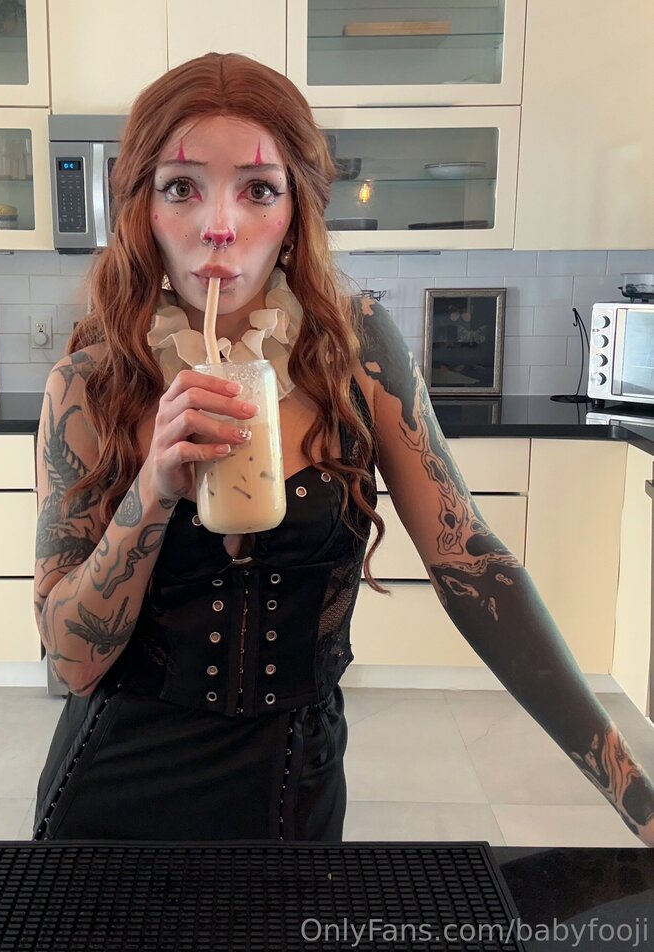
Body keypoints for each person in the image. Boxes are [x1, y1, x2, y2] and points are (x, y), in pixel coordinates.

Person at [32, 51, 654, 846]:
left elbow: (472, 565)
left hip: (295, 791)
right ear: (141, 208)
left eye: (258, 189)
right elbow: (71, 664)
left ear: (297, 210)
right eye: (181, 186)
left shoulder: (356, 353)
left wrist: (637, 795)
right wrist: (151, 490)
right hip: (113, 800)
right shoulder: (89, 383)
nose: (219, 225)